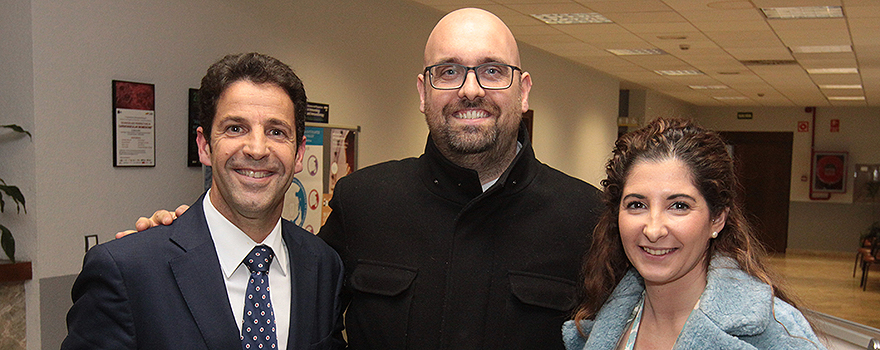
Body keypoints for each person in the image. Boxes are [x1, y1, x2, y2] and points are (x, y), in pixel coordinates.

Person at [124, 8, 602, 349]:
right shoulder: (365, 203)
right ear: (423, 91)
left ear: (522, 90)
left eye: (493, 71)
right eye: (448, 71)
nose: (470, 89)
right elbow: (284, 279)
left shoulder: (588, 219)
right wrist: (192, 237)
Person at [63, 53, 345, 350]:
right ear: (205, 146)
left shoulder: (323, 266)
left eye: (276, 132)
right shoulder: (128, 271)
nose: (257, 149)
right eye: (235, 128)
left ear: (299, 153)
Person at [563, 118, 825, 349]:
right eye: (637, 205)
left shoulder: (778, 335)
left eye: (679, 206)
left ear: (718, 218)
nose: (653, 230)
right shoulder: (604, 322)